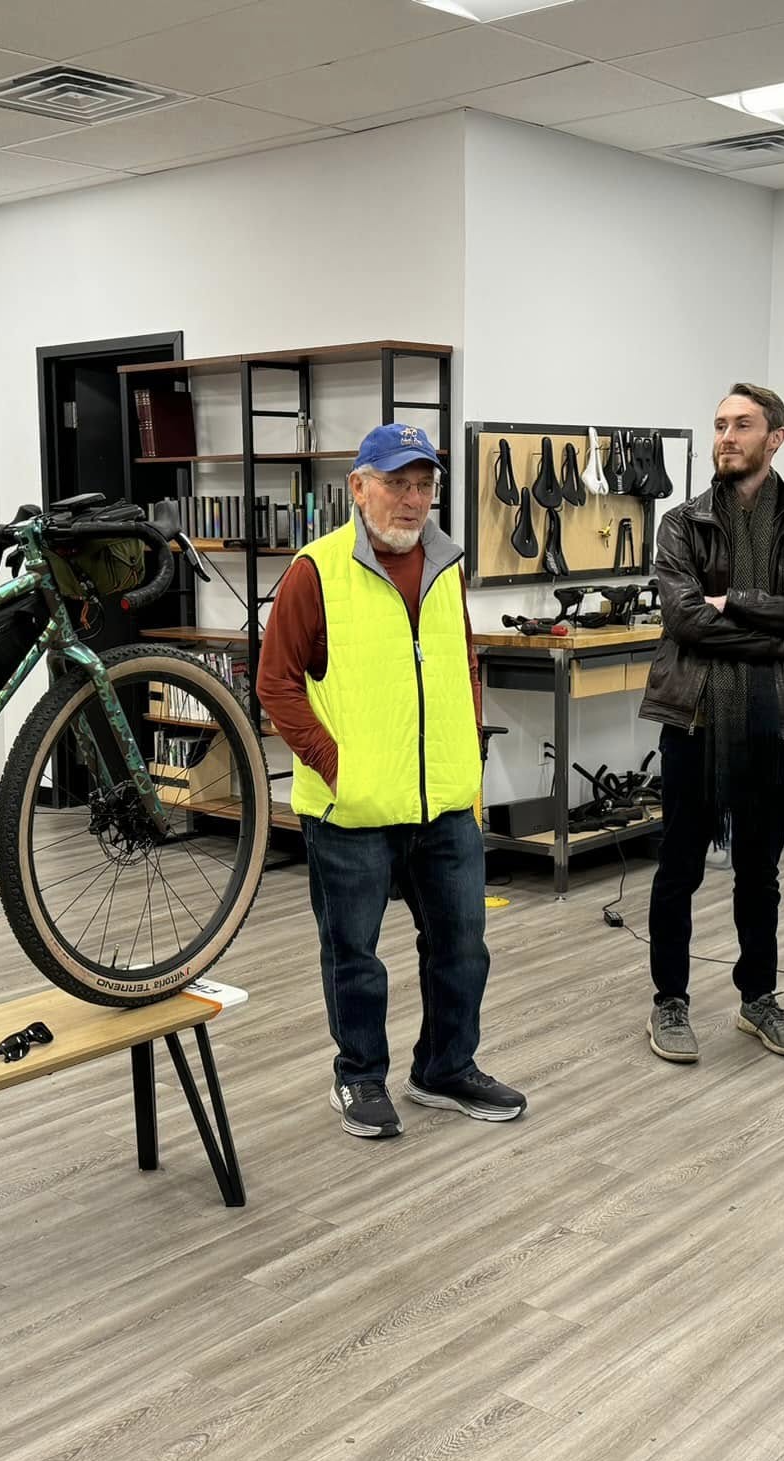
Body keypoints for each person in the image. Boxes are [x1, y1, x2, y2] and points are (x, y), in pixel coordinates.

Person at [256, 422, 526, 1139]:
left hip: (444, 802)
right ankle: (359, 1076)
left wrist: (467, 755)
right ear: (359, 487)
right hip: (351, 809)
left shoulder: (446, 565)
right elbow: (275, 684)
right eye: (397, 483)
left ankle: (444, 1068)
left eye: (424, 484)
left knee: (462, 946)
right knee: (354, 955)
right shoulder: (315, 571)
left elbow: (461, 666)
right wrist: (336, 766)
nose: (412, 499)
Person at [639, 384, 784, 1065]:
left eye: (742, 425)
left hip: (770, 717)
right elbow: (685, 619)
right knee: (679, 867)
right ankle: (670, 1001)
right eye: (720, 424)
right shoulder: (681, 524)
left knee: (760, 870)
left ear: (775, 437)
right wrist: (777, 629)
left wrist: (735, 601)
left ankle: (758, 999)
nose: (726, 437)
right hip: (695, 715)